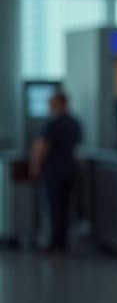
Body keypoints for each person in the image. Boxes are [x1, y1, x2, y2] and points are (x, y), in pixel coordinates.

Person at [29, 92, 82, 253]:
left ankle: (55, 245)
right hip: (70, 169)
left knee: (54, 208)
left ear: (58, 104)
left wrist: (35, 167)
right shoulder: (74, 123)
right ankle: (62, 242)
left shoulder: (52, 124)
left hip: (54, 171)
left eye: (51, 103)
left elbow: (40, 147)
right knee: (65, 208)